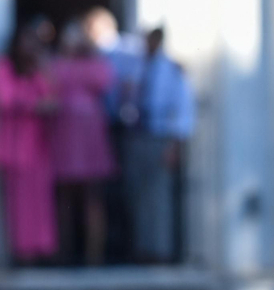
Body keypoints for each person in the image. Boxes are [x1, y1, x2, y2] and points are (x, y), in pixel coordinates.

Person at [116, 26, 193, 264]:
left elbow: (183, 107)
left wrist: (175, 144)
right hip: (137, 134)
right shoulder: (137, 66)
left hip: (160, 135)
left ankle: (160, 250)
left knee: (159, 195)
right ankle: (143, 247)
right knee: (137, 193)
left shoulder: (171, 69)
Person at [48, 20, 117, 265]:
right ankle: (63, 253)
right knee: (64, 197)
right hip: (64, 137)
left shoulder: (95, 65)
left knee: (92, 197)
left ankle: (94, 255)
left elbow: (105, 81)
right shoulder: (56, 65)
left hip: (89, 138)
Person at [0, 21, 58, 264]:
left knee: (40, 201)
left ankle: (41, 250)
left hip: (38, 146)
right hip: (15, 148)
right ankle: (22, 252)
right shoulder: (3, 67)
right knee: (19, 204)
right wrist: (34, 104)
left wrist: (41, 71)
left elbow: (52, 99)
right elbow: (5, 100)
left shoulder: (37, 70)